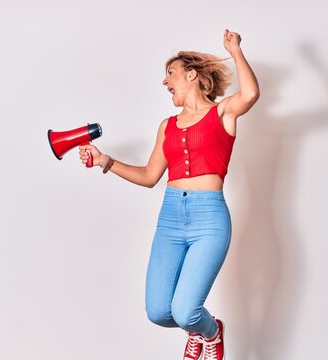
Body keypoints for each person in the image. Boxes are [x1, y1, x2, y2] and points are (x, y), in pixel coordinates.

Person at [79, 29, 259, 360]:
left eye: (170, 74)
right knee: (159, 311)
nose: (165, 83)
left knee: (187, 308)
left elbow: (249, 93)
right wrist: (105, 160)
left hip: (209, 219)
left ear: (191, 75)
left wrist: (234, 50)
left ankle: (211, 332)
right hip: (171, 217)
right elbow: (150, 176)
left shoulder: (222, 113)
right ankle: (197, 331)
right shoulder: (167, 126)